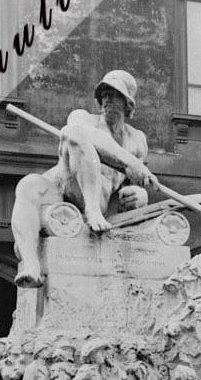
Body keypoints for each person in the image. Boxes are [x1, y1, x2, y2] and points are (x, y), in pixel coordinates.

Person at [10, 70, 155, 288]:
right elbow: (94, 138)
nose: (107, 100)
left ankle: (94, 209)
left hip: (102, 201)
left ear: (127, 103)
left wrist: (141, 195)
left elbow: (134, 186)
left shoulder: (137, 140)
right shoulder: (83, 118)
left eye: (114, 95)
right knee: (29, 183)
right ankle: (32, 266)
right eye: (104, 94)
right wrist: (131, 163)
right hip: (62, 189)